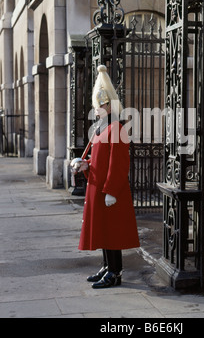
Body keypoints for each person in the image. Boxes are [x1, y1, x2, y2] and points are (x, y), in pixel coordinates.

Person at [77, 64, 140, 289]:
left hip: (110, 190)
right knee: (103, 229)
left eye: (98, 106)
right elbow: (99, 160)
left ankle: (115, 272)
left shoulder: (116, 129)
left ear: (107, 104)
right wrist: (85, 164)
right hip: (99, 187)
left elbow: (119, 164)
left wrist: (112, 190)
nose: (95, 110)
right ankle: (106, 266)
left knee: (112, 232)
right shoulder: (101, 129)